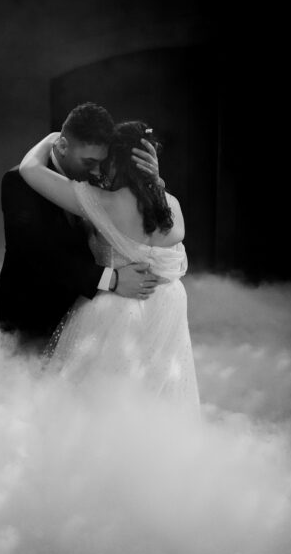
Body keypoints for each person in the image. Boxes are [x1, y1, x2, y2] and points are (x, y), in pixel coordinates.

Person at [18, 120, 200, 411]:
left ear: (114, 162)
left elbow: (29, 169)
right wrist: (154, 180)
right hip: (168, 305)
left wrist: (53, 137)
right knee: (157, 395)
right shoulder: (173, 205)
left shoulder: (102, 202)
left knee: (100, 403)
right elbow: (151, 205)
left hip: (116, 310)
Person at [0, 103, 163, 354]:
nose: (96, 171)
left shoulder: (98, 179)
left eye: (101, 163)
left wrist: (153, 181)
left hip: (83, 316)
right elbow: (40, 256)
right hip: (31, 314)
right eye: (89, 161)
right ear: (62, 146)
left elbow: (139, 215)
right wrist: (113, 280)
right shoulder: (19, 182)